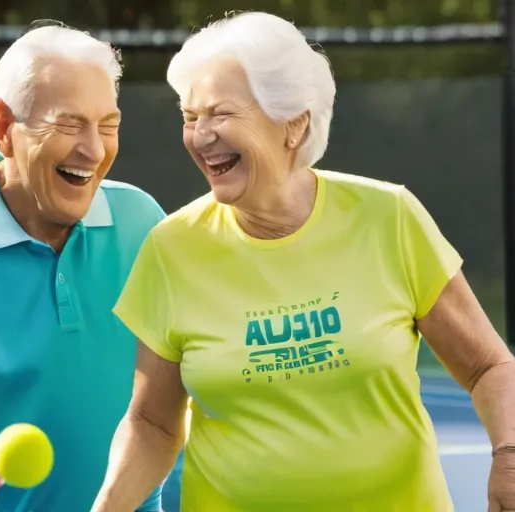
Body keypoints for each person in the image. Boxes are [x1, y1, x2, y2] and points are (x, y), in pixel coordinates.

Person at [90, 11, 515, 512]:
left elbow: (488, 365)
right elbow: (153, 423)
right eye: (190, 117)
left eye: (220, 114)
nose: (200, 135)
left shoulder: (390, 218)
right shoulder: (171, 248)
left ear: (294, 124)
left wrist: (509, 457)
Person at [0, 21, 169, 512]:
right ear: (3, 126)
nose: (95, 149)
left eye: (108, 125)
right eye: (68, 124)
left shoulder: (144, 221)